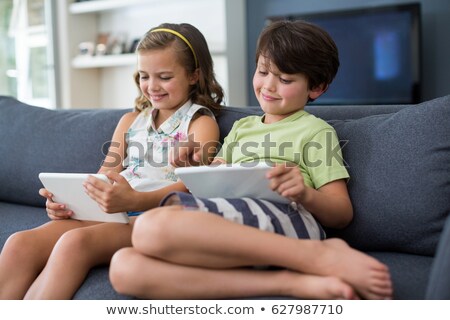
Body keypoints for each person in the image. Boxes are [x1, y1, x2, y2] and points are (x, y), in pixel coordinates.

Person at [109, 20, 393, 300]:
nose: (269, 86)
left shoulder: (316, 131)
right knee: (124, 268)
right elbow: (212, 179)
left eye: (285, 79)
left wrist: (305, 193)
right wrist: (193, 170)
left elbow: (341, 214)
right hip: (231, 215)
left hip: (285, 215)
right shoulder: (242, 128)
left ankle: (317, 254)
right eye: (263, 71)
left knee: (149, 228)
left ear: (316, 87)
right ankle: (288, 283)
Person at [0, 22, 224, 299]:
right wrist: (67, 201)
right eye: (144, 76)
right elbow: (104, 176)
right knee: (19, 243)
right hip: (112, 212)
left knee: (74, 243)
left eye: (164, 77)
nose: (152, 87)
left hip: (149, 218)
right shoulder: (131, 121)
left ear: (194, 75)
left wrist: (133, 200)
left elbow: (193, 187)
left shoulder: (199, 123)